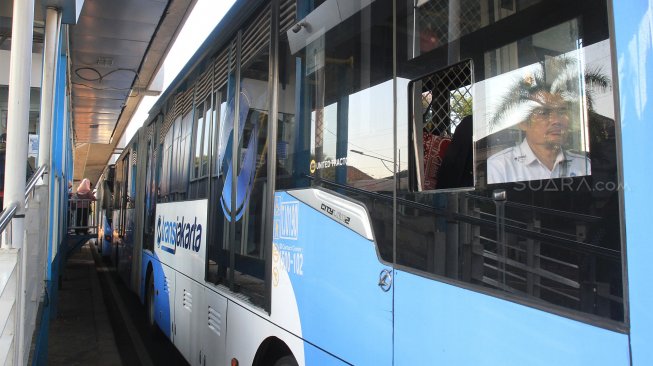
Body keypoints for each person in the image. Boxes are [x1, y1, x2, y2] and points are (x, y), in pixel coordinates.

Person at [487, 92, 591, 184]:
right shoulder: (499, 167)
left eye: (561, 112)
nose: (556, 121)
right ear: (522, 123)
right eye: (543, 113)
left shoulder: (583, 165)